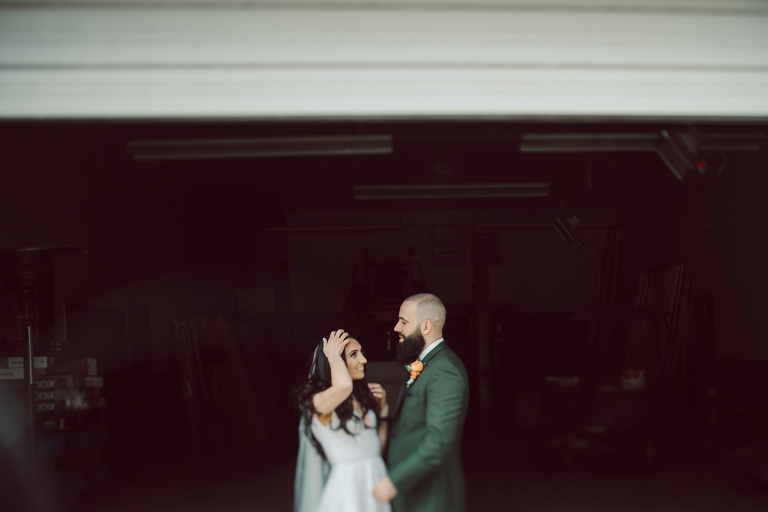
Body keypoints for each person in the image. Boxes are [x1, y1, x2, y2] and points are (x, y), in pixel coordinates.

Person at [372, 293, 469, 512]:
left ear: (426, 326)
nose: (396, 327)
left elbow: (439, 443)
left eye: (403, 322)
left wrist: (394, 481)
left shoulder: (444, 370)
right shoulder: (427, 362)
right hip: (415, 493)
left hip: (431, 497)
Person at [294, 329, 391, 512]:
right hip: (347, 489)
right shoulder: (317, 402)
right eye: (354, 354)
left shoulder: (361, 398)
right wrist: (332, 354)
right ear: (333, 361)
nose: (364, 360)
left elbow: (375, 450)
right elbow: (344, 386)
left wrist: (384, 411)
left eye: (361, 352)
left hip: (375, 479)